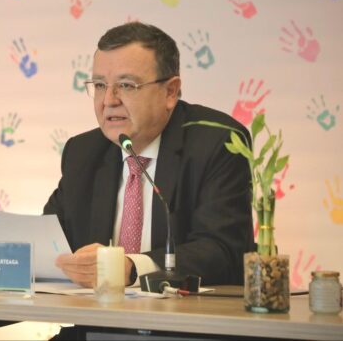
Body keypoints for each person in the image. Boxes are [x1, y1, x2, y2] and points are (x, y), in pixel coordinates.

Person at [44, 21, 254, 288]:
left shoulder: (217, 143)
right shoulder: (83, 152)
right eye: (99, 85)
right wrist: (8, 251)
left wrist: (133, 268)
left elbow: (222, 252)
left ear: (170, 92)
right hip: (95, 314)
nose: (109, 100)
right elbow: (49, 243)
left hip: (186, 314)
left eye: (126, 85)